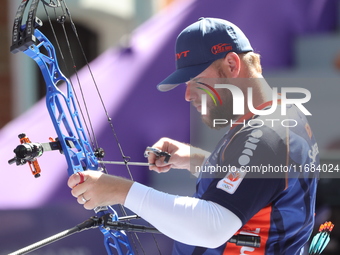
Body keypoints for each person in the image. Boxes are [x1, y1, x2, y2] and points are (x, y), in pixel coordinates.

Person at [68, 18, 319, 254]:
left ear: (232, 64)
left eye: (196, 80)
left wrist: (120, 191)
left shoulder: (266, 134)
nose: (187, 95)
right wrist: (195, 159)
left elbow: (211, 228)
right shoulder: (279, 116)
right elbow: (256, 184)